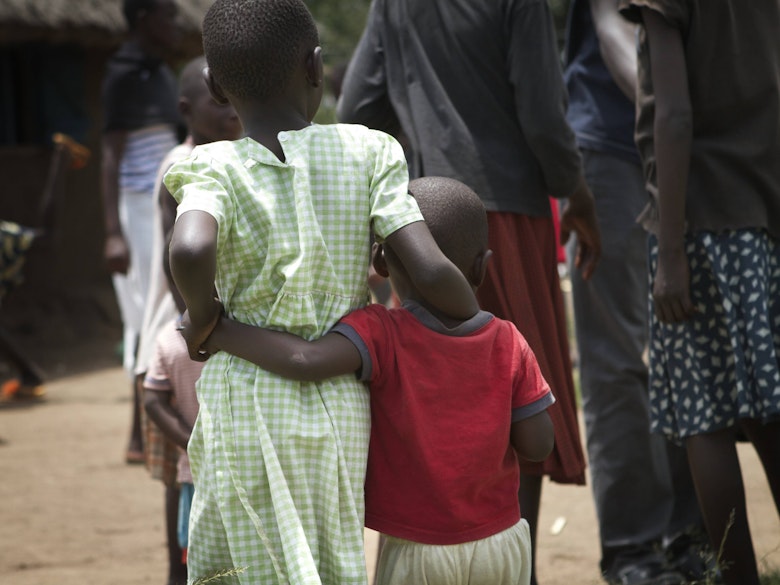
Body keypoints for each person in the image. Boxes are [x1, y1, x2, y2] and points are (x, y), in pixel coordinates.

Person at [163, 1, 480, 583]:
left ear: (213, 82)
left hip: (246, 393)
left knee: (249, 557)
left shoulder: (212, 166)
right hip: (342, 396)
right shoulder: (370, 152)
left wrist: (203, 317)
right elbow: (428, 270)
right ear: (314, 66)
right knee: (333, 553)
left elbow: (188, 249)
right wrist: (477, 325)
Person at [336, 2, 602, 582]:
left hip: (419, 223)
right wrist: (574, 191)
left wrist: (397, 205)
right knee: (509, 384)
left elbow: (357, 109)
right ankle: (514, 569)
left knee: (425, 388)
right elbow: (541, 112)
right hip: (500, 215)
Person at [192, 176, 556, 585]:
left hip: (418, 553)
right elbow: (538, 444)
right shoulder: (509, 340)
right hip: (502, 543)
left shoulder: (382, 333)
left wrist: (217, 330)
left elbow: (304, 359)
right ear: (483, 266)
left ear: (380, 262)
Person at [618, 2, 780, 584]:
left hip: (697, 219)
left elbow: (675, 116)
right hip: (759, 215)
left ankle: (737, 579)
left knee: (703, 418)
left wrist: (673, 249)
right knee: (768, 408)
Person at [563, 2, 710, 583]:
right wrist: (672, 108)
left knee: (686, 350)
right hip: (613, 150)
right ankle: (634, 548)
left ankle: (692, 535)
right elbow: (615, 30)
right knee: (618, 361)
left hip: (690, 151)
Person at [134, 55, 242, 585]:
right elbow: (174, 254)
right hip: (184, 327)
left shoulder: (242, 155)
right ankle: (179, 571)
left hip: (218, 323)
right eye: (215, 99)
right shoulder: (179, 164)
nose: (229, 110)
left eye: (233, 97)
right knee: (182, 471)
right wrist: (197, 317)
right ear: (185, 110)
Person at [100, 0, 181, 464]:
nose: (175, 24)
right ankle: (138, 431)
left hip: (166, 200)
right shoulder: (122, 74)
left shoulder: (162, 73)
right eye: (167, 16)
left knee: (161, 310)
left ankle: (143, 428)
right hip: (137, 209)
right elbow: (110, 155)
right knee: (146, 315)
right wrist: (113, 230)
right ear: (144, 17)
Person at [143, 315, 203, 585]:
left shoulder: (168, 337)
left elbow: (153, 400)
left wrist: (193, 445)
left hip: (193, 469)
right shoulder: (244, 327)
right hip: (236, 470)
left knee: (202, 565)